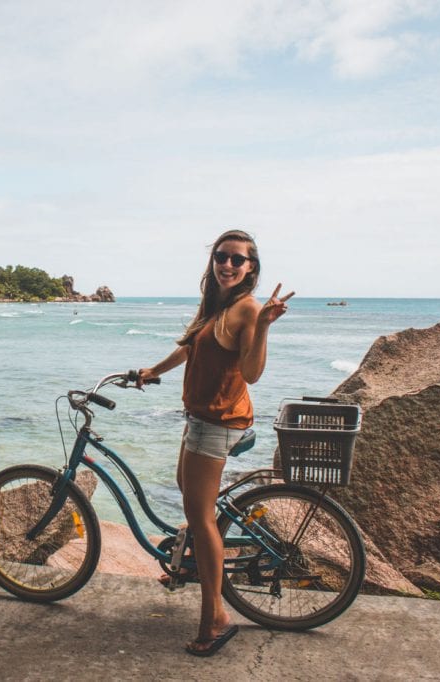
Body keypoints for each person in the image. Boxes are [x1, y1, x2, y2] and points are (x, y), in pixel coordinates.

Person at [138, 229, 293, 657]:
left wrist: (262, 325)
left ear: (251, 269)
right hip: (200, 418)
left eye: (237, 260)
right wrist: (153, 371)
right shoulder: (216, 305)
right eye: (221, 257)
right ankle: (191, 562)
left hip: (219, 423)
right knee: (189, 494)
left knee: (199, 517)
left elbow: (253, 371)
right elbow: (190, 349)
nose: (227, 264)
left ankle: (215, 618)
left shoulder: (247, 310)